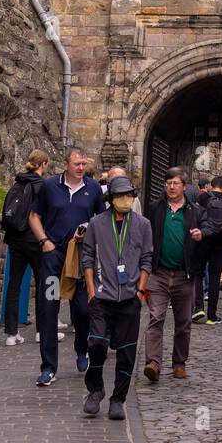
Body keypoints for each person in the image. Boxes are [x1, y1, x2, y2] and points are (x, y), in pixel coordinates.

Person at [28, 146, 105, 387]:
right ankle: (48, 368)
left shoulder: (92, 188)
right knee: (49, 309)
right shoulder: (49, 186)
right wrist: (44, 241)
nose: (81, 168)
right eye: (77, 164)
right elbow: (33, 216)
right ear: (66, 165)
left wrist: (89, 233)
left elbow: (102, 219)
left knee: (82, 310)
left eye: (84, 164)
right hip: (54, 257)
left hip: (80, 258)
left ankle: (81, 349)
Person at [81, 173, 153, 420]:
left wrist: (140, 290)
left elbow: (147, 258)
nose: (125, 199)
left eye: (129, 195)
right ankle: (95, 389)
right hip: (102, 296)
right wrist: (91, 291)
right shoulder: (97, 224)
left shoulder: (143, 225)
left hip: (129, 298)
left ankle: (118, 399)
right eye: (120, 195)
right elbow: (87, 256)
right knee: (97, 343)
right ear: (111, 199)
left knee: (126, 352)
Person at [143, 171, 203, 381]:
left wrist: (200, 237)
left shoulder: (195, 211)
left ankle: (179, 363)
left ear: (184, 186)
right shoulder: (155, 208)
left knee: (183, 322)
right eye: (168, 183)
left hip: (183, 275)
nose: (171, 187)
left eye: (175, 183)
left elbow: (208, 235)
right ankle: (153, 363)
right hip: (158, 273)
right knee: (156, 317)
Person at [2, 150, 51, 346]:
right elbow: (47, 214)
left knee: (14, 285)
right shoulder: (43, 186)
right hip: (36, 241)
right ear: (43, 164)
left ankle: (11, 334)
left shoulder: (17, 184)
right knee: (44, 285)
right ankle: (42, 331)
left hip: (15, 240)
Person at [193, 175, 222, 324]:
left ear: (211, 186)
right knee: (214, 277)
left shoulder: (204, 197)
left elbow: (195, 216)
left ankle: (198, 307)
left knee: (198, 274)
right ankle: (212, 316)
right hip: (220, 242)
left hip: (204, 240)